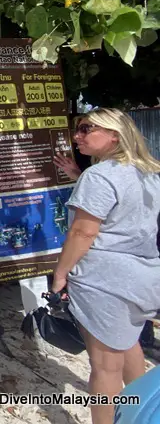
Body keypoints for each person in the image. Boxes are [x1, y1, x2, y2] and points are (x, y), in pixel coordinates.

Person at [50, 109, 160, 424]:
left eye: (86, 129)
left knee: (104, 368)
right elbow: (123, 209)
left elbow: (84, 231)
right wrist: (78, 177)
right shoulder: (147, 172)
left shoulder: (99, 176)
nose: (77, 136)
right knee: (127, 346)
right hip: (144, 279)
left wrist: (60, 275)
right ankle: (141, 414)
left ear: (114, 134)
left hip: (104, 281)